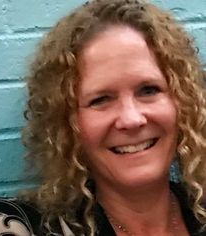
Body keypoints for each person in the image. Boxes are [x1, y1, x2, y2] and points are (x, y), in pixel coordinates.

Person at [23, 0, 206, 235]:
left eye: (148, 90)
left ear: (184, 102)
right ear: (66, 124)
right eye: (100, 100)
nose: (131, 119)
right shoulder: (23, 226)